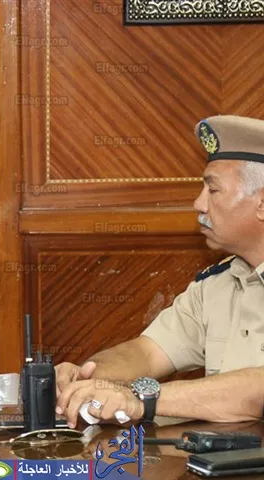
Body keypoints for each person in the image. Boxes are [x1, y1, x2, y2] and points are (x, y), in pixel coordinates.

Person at [55, 115, 264, 427]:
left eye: (212, 190)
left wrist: (143, 399)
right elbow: (148, 353)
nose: (199, 204)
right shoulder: (216, 286)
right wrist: (88, 377)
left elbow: (257, 392)